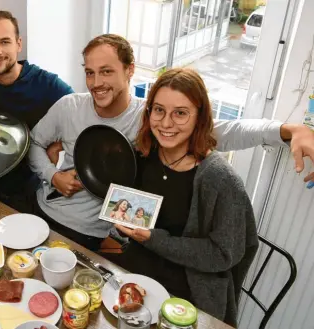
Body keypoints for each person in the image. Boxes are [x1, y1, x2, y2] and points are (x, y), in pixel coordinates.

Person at [29, 34, 314, 251]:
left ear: (130, 70)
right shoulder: (69, 106)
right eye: (89, 72)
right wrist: (52, 175)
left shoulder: (152, 117)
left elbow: (226, 131)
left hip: (90, 233)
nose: (95, 82)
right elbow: (34, 143)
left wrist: (288, 130)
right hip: (42, 210)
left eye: (106, 71)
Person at [110, 68, 257, 326]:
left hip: (190, 293)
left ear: (199, 118)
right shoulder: (141, 155)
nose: (166, 124)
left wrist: (155, 240)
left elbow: (224, 255)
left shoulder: (220, 179)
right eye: (159, 110)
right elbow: (130, 215)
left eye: (180, 113)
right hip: (134, 275)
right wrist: (122, 223)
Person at [0, 10, 73, 212]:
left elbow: (80, 115)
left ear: (18, 44)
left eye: (5, 42)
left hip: (29, 189)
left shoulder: (48, 85)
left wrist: (59, 143)